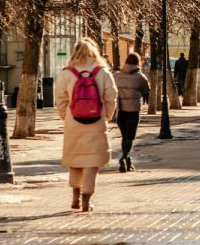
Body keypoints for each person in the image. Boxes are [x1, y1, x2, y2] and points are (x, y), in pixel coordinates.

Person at [54, 38, 118, 213]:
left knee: (75, 159)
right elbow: (111, 96)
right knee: (92, 161)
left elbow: (60, 97)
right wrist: (107, 114)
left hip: (73, 121)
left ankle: (75, 195)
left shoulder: (68, 73)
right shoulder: (102, 72)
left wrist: (65, 115)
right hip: (96, 120)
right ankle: (86, 199)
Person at [113, 52, 150, 173]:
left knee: (125, 136)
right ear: (138, 62)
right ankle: (124, 158)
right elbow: (146, 90)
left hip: (120, 110)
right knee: (130, 137)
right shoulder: (140, 77)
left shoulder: (117, 76)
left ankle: (127, 161)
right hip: (133, 110)